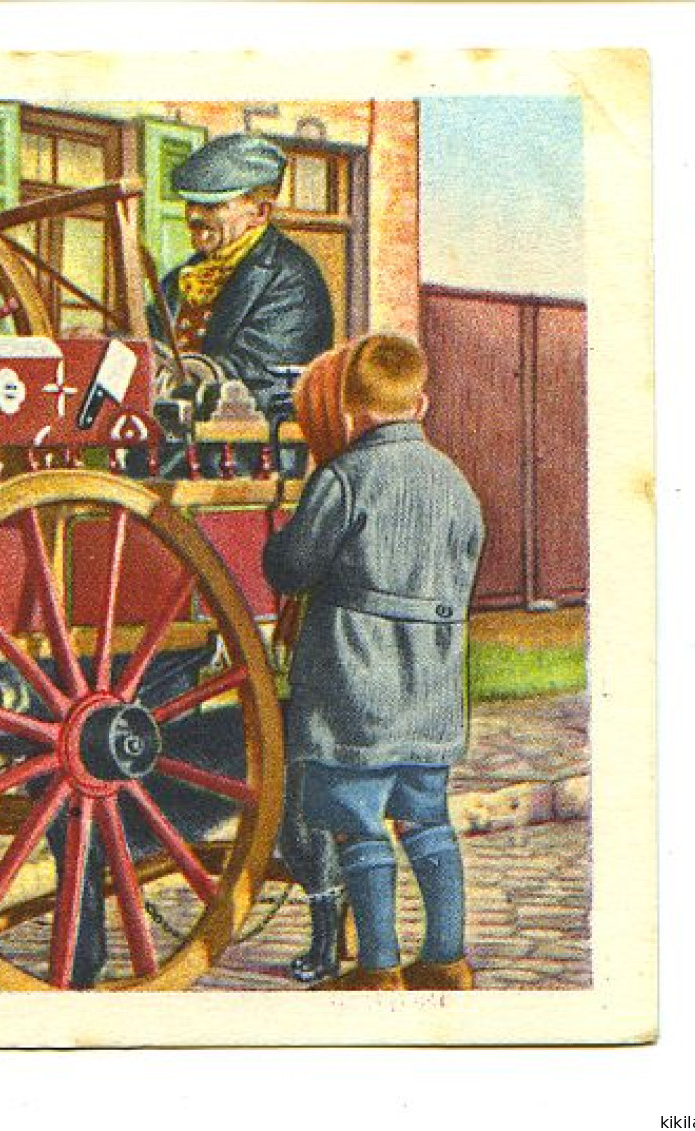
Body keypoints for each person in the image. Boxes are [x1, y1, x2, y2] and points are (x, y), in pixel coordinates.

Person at [262, 333, 485, 991]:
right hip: (431, 684)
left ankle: (378, 967)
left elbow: (294, 566)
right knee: (426, 817)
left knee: (356, 821)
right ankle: (446, 957)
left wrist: (276, 544)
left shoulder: (344, 477)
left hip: (355, 682)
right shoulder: (454, 479)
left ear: (350, 415)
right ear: (420, 402)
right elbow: (465, 563)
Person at [153, 132, 334, 410]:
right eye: (191, 204)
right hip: (172, 447)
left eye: (213, 206)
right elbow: (148, 340)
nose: (193, 217)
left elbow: (255, 378)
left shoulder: (292, 279)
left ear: (260, 212)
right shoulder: (181, 278)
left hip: (242, 449)